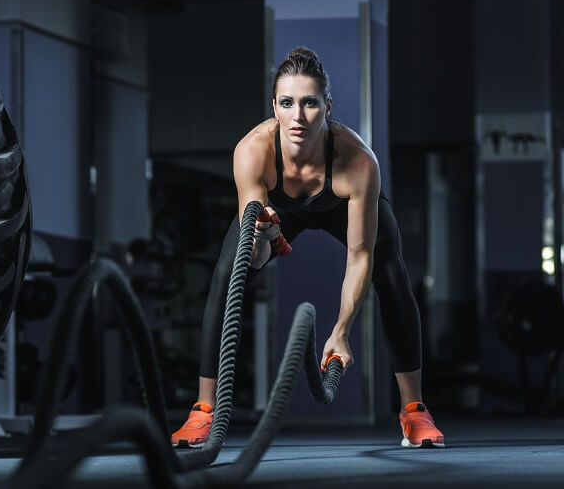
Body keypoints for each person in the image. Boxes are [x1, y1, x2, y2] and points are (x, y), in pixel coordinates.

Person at [170, 47, 444, 449]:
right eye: (287, 103)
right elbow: (258, 256)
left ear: (327, 106)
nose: (298, 117)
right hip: (280, 211)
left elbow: (360, 254)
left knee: (391, 271)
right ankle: (204, 410)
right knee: (228, 274)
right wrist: (264, 237)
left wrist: (342, 330)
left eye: (309, 103)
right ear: (274, 107)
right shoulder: (252, 153)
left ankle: (414, 410)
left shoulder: (358, 163)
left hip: (340, 206)